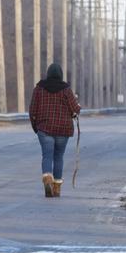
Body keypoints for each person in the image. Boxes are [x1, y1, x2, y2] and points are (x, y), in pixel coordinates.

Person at [29, 63, 81, 197]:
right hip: (63, 130)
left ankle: (47, 178)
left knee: (47, 155)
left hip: (44, 128)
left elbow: (32, 110)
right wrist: (77, 106)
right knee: (58, 157)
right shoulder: (66, 90)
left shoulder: (39, 89)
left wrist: (36, 127)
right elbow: (75, 109)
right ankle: (57, 188)